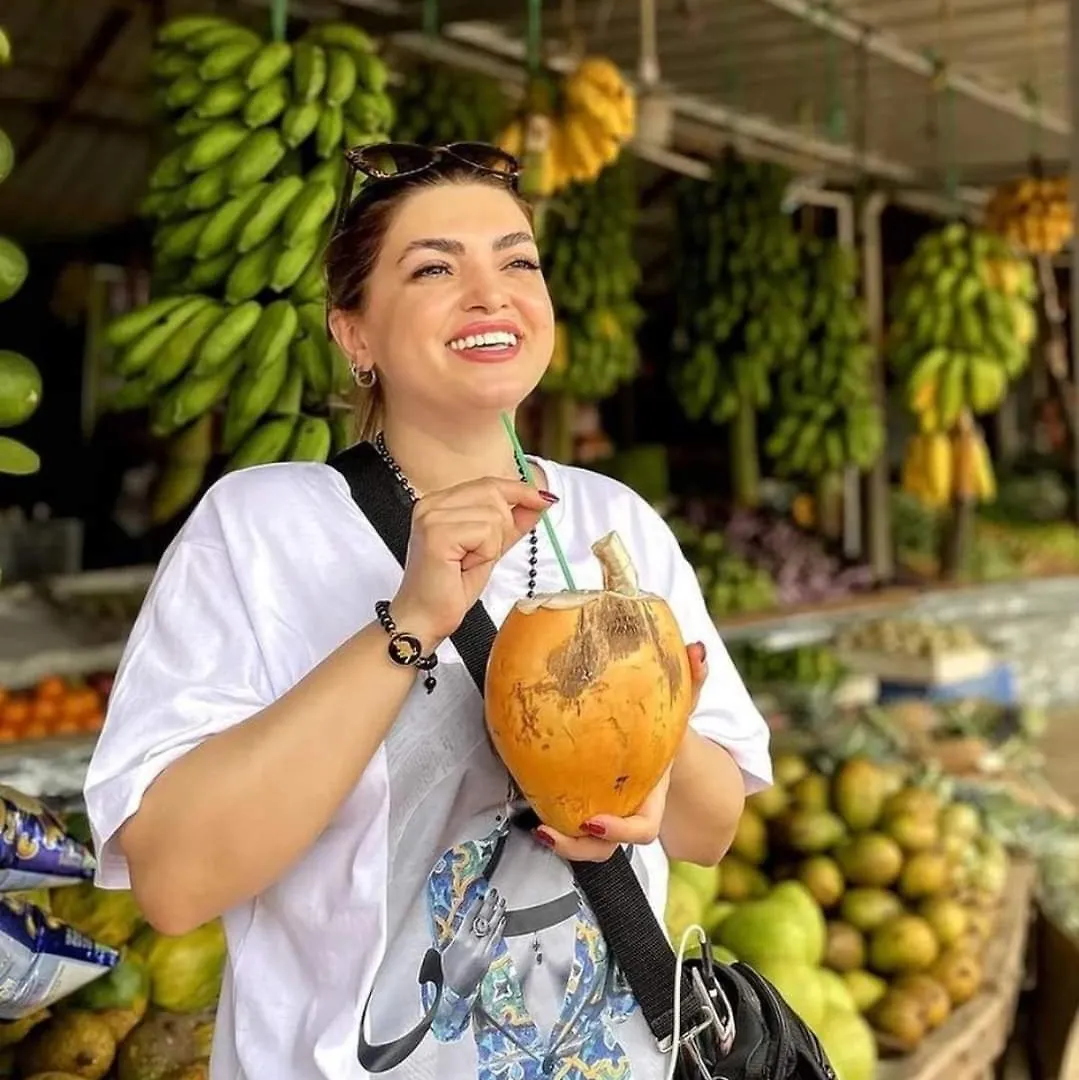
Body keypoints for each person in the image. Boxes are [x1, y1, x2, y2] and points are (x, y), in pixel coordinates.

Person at [83, 142, 773, 1080]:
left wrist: (651, 752)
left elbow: (710, 826)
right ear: (355, 336)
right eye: (433, 268)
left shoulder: (615, 523)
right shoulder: (259, 526)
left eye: (517, 261)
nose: (490, 293)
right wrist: (407, 623)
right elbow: (172, 882)